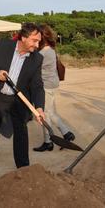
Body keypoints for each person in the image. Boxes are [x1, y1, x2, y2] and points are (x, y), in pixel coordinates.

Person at [0, 23, 45, 173]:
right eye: (34, 40)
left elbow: (37, 86)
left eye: (39, 41)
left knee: (21, 133)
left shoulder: (37, 59)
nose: (37, 45)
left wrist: (39, 108)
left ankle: (23, 167)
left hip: (19, 100)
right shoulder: (3, 46)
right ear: (24, 38)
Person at [33, 24, 75, 152]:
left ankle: (53, 140)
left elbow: (34, 70)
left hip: (46, 85)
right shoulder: (50, 49)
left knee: (46, 114)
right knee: (51, 112)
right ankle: (62, 136)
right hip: (51, 84)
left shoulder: (43, 53)